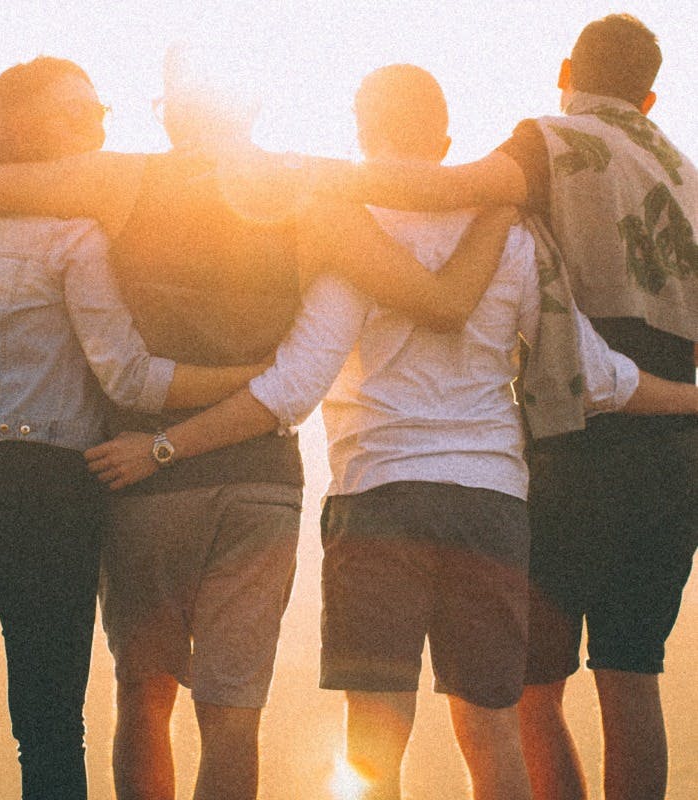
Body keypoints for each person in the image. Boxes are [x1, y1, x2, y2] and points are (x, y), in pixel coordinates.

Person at [87, 63, 698, 800]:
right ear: (444, 141)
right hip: (491, 503)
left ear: (361, 133)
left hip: (379, 500)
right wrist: (689, 398)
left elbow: (293, 388)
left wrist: (166, 446)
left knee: (375, 740)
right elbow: (594, 375)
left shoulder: (351, 236)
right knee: (493, 734)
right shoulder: (511, 235)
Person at [0, 48, 516, 800]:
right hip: (259, 484)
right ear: (250, 108)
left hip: (140, 481)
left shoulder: (121, 180)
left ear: (172, 111)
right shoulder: (309, 198)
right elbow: (439, 302)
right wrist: (502, 203)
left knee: (143, 702)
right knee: (232, 718)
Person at [309, 15, 698, 800]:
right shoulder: (687, 177)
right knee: (632, 677)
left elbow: (445, 189)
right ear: (651, 95)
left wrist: (302, 179)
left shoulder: (550, 141)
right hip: (677, 443)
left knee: (527, 690)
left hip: (575, 444)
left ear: (566, 71)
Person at [0, 55, 280, 800]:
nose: (99, 125)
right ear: (27, 124)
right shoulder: (73, 237)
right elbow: (130, 378)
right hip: (41, 489)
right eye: (78, 113)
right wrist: (249, 378)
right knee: (47, 726)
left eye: (101, 111)